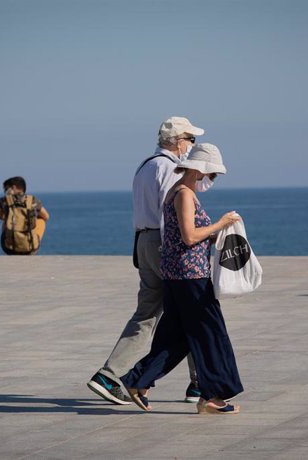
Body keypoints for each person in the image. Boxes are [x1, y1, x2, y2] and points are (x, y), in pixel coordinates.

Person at [87, 117, 205, 405]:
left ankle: (110, 374)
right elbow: (172, 212)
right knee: (191, 309)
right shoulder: (168, 168)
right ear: (178, 141)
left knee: (150, 314)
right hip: (163, 244)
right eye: (190, 139)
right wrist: (176, 253)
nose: (192, 145)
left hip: (144, 241)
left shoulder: (146, 165)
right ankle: (199, 384)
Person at [121, 143, 244, 414]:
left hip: (177, 273)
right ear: (199, 170)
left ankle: (136, 381)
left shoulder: (177, 191)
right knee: (211, 333)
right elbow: (189, 236)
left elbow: (182, 235)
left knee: (176, 336)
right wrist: (221, 224)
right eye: (211, 174)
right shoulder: (185, 194)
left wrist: (214, 233)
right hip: (191, 276)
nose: (211, 179)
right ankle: (212, 396)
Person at [0, 176, 50, 255]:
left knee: (6, 221)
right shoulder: (32, 200)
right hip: (29, 248)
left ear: (13, 188)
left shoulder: (4, 200)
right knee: (41, 221)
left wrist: (13, 218)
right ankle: (32, 245)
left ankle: (10, 243)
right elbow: (46, 216)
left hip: (9, 249)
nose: (5, 191)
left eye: (6, 189)